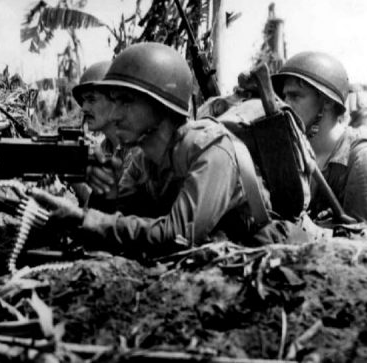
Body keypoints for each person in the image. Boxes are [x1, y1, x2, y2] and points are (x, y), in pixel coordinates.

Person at [31, 42, 281, 258]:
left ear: (162, 105)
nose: (115, 114)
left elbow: (180, 237)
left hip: (266, 252)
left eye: (127, 102)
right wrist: (105, 191)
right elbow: (119, 218)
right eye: (114, 102)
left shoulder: (212, 152)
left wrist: (85, 220)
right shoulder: (143, 160)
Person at [272, 52, 367, 238]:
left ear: (327, 103)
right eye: (284, 97)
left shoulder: (365, 163)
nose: (285, 105)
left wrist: (311, 232)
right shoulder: (298, 157)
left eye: (295, 96)